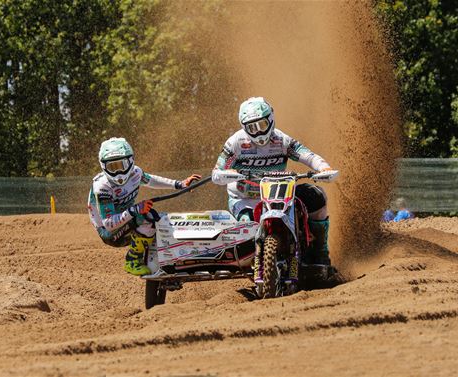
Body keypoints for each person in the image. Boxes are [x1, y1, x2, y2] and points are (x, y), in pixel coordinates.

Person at [212, 97, 335, 266]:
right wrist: (228, 173)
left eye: (261, 125)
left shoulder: (281, 140)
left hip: (279, 194)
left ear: (270, 120)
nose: (258, 132)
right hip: (244, 200)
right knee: (248, 233)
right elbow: (217, 172)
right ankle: (255, 262)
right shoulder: (235, 143)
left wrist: (324, 168)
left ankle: (321, 251)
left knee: (316, 197)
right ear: (244, 127)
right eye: (251, 128)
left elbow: (307, 155)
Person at [88, 137, 201, 276]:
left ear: (130, 161)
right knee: (146, 218)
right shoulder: (102, 186)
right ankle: (132, 260)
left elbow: (152, 180)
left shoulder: (136, 173)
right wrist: (135, 210)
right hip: (109, 232)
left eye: (121, 165)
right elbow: (109, 224)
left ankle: (170, 257)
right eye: (113, 167)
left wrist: (179, 184)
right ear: (103, 166)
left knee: (159, 219)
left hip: (126, 220)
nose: (118, 173)